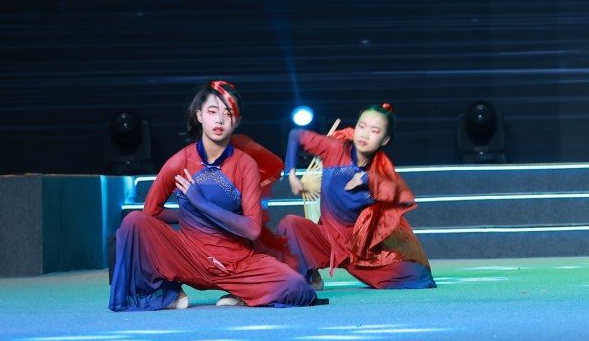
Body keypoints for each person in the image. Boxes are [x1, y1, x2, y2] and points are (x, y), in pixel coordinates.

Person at [109, 80, 319, 310]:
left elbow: (252, 229)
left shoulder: (245, 164)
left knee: (297, 288)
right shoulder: (179, 161)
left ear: (236, 121)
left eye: (228, 113)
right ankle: (168, 292)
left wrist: (202, 204)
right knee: (134, 222)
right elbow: (151, 212)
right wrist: (190, 215)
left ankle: (241, 293)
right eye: (212, 111)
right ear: (199, 115)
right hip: (189, 256)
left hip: (238, 263)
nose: (219, 119)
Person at [275, 103, 436, 290]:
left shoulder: (381, 169)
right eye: (362, 126)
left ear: (385, 140)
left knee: (417, 276)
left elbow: (403, 195)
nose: (365, 135)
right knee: (290, 224)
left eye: (375, 131)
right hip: (328, 239)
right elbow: (296, 135)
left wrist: (366, 179)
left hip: (360, 251)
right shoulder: (334, 148)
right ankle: (309, 274)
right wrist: (292, 174)